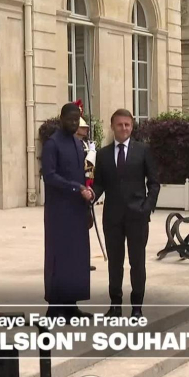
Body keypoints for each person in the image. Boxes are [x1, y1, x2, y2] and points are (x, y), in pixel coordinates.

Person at [91, 109, 159, 319]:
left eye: (127, 124)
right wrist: (91, 195)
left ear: (132, 126)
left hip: (137, 216)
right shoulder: (103, 154)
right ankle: (115, 305)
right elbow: (99, 184)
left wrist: (147, 207)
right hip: (112, 217)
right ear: (112, 126)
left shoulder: (143, 151)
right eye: (120, 125)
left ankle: (137, 307)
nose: (124, 128)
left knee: (137, 262)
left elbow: (154, 183)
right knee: (114, 263)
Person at [42, 102, 94, 319]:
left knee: (76, 257)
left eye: (76, 120)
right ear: (61, 119)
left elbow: (82, 175)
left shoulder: (77, 142)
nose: (74, 123)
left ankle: (71, 305)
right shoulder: (52, 144)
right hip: (59, 210)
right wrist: (76, 188)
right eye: (70, 119)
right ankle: (55, 307)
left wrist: (88, 195)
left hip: (77, 209)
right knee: (59, 257)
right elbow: (50, 176)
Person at [73, 101, 96, 272]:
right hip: (76, 189)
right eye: (83, 128)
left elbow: (89, 169)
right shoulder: (74, 144)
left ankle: (82, 260)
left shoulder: (85, 144)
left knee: (84, 228)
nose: (86, 130)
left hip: (85, 189)